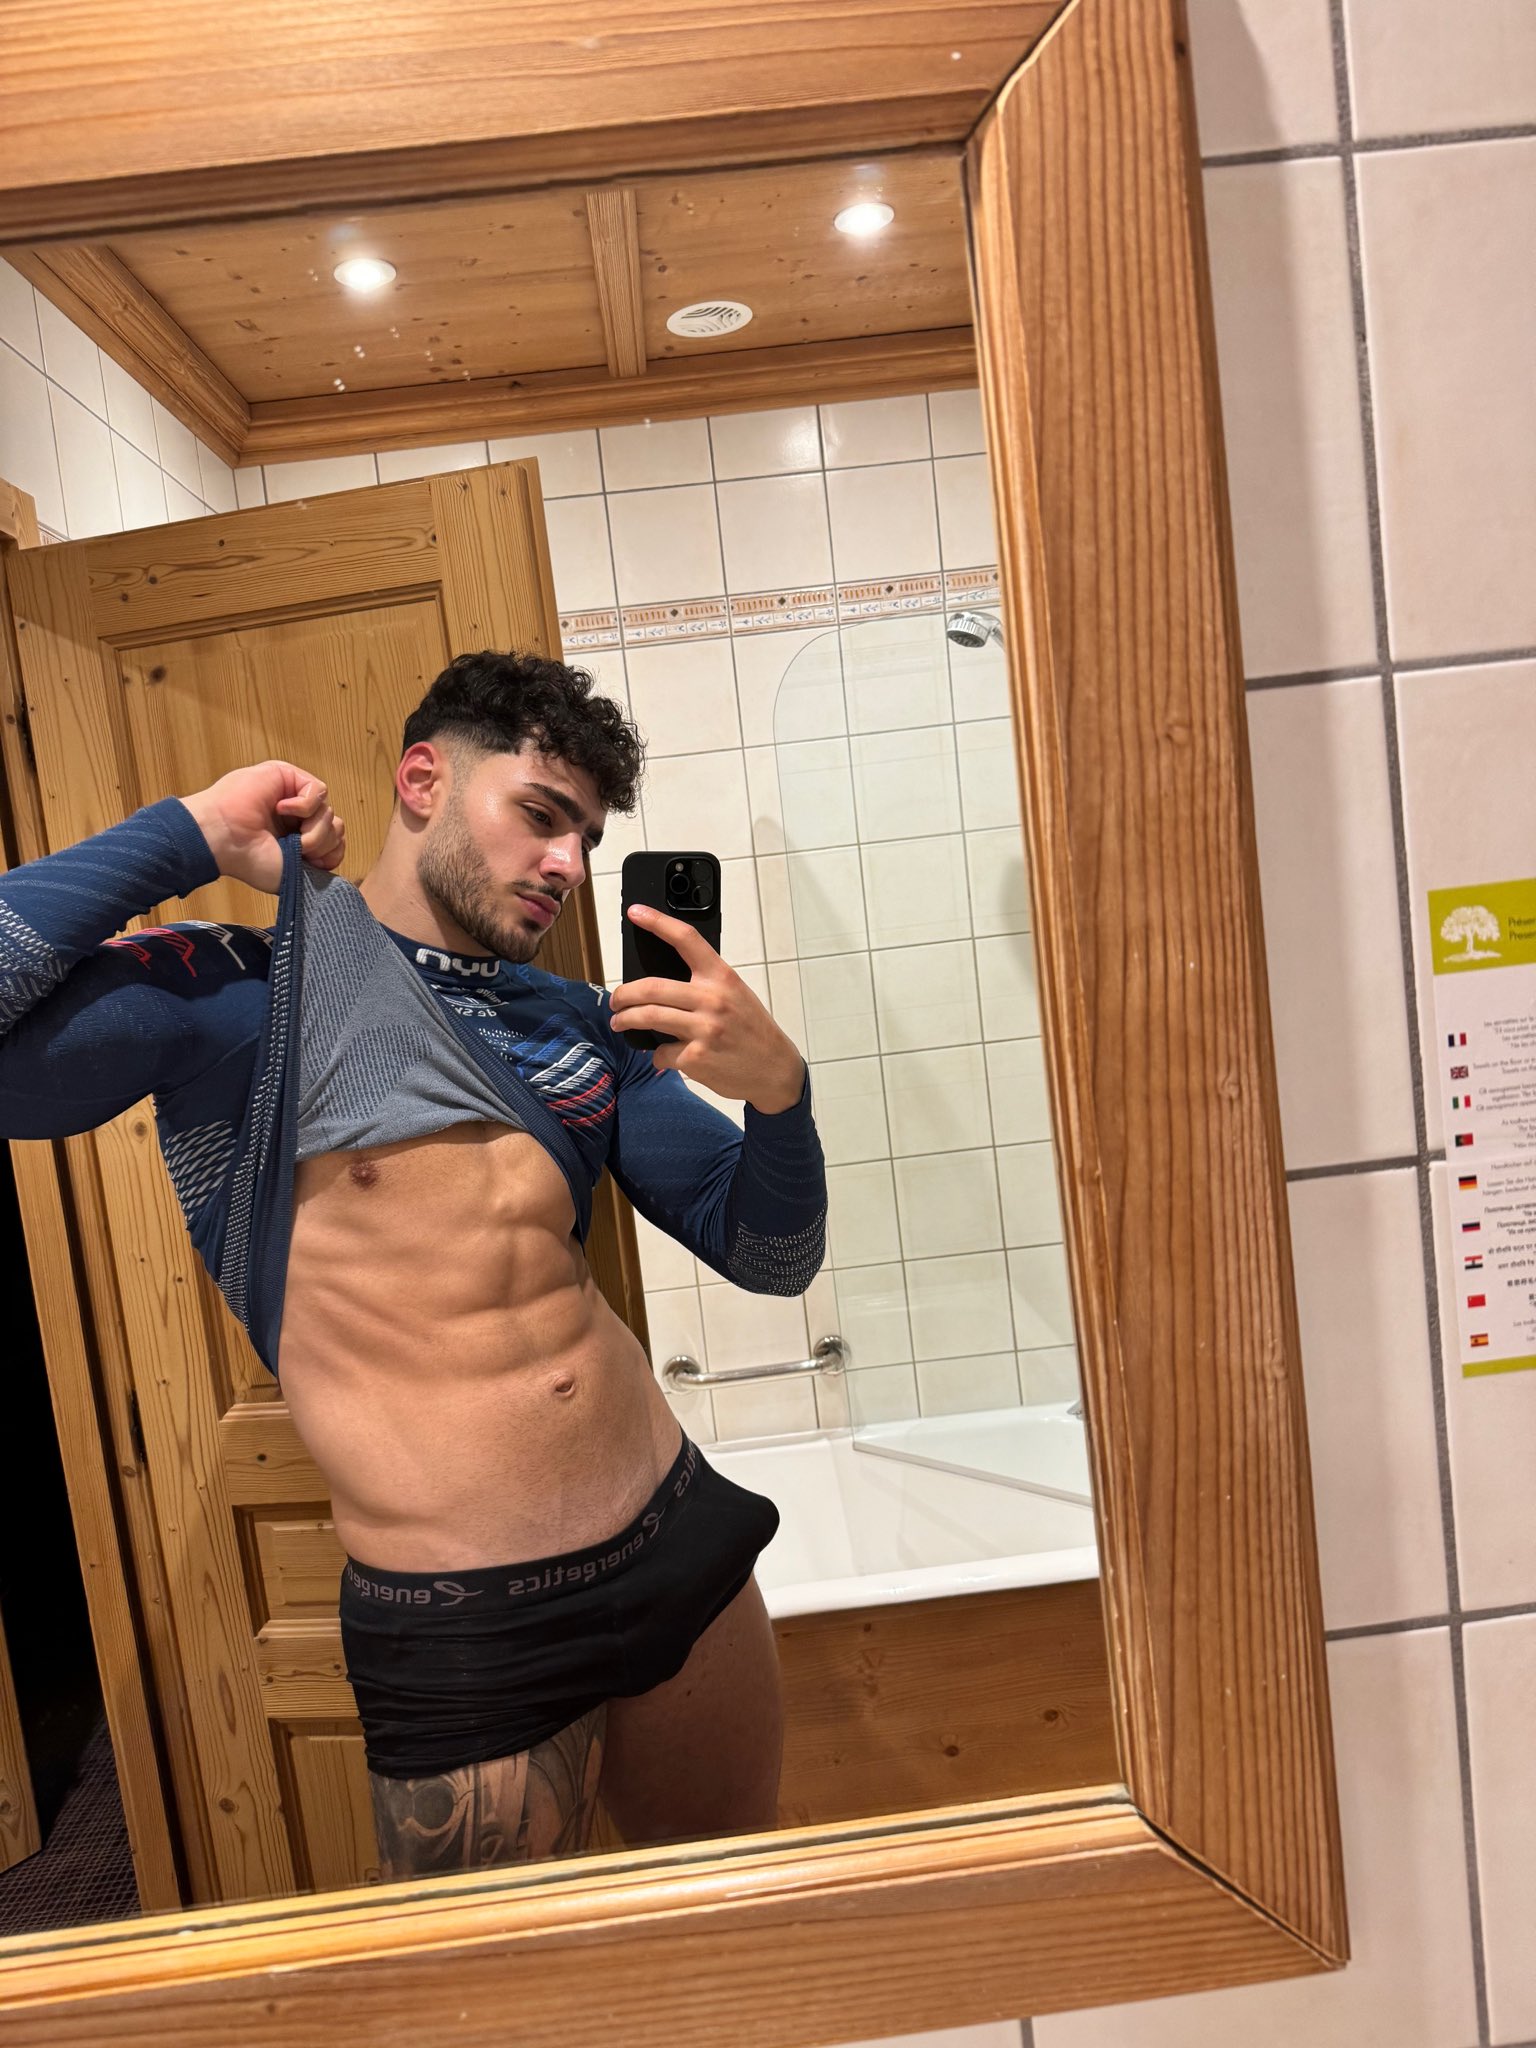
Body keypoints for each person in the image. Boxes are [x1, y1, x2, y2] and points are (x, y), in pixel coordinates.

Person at [0, 649, 827, 1877]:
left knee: (733, 1912)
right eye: (540, 812)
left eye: (587, 837)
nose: (566, 862)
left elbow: (772, 1253)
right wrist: (193, 830)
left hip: (681, 1543)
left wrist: (780, 1095)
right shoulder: (245, 997)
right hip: (474, 1624)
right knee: (503, 1979)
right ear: (424, 779)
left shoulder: (579, 1025)